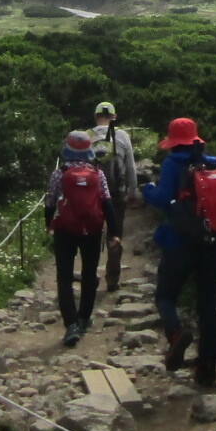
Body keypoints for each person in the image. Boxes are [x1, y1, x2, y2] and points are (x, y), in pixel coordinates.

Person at [143, 115, 216, 387]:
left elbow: (160, 199)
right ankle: (206, 367)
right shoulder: (213, 163)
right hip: (211, 243)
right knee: (208, 305)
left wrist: (146, 188)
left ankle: (175, 333)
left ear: (172, 142)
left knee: (166, 295)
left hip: (179, 243)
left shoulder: (172, 164)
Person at [45, 130, 109, 347]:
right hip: (91, 229)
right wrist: (115, 232)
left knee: (64, 276)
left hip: (65, 229)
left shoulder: (59, 173)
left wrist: (48, 224)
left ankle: (70, 323)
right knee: (90, 274)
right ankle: (84, 319)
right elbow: (106, 202)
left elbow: (50, 202)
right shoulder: (97, 172)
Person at [89, 100, 138, 291]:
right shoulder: (122, 136)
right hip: (117, 194)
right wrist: (133, 192)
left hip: (93, 195)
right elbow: (131, 166)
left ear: (95, 116)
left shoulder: (87, 136)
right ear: (114, 117)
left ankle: (90, 275)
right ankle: (112, 279)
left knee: (92, 236)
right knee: (115, 234)